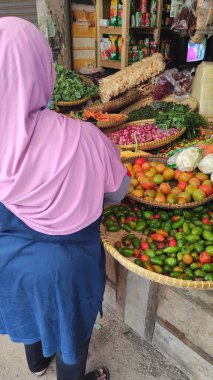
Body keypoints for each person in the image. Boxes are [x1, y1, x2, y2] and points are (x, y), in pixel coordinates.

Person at [0, 17, 130, 380]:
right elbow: (118, 192)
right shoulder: (84, 138)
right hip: (68, 272)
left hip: (9, 267)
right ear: (44, 68)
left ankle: (37, 365)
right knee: (72, 334)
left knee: (31, 313)